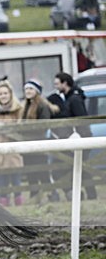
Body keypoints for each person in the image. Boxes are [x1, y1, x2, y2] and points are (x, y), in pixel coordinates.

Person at [51, 71, 97, 200]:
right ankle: (84, 194)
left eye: (57, 84)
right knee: (81, 168)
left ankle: (88, 194)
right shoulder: (71, 98)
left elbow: (81, 119)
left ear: (65, 83)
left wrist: (80, 137)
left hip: (79, 138)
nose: (55, 86)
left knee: (82, 168)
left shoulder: (74, 99)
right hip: (77, 137)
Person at [21, 79, 57, 203]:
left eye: (30, 89)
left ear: (36, 91)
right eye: (26, 89)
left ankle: (51, 195)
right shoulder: (25, 105)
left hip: (39, 143)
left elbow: (43, 125)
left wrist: (27, 129)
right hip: (27, 145)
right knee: (30, 172)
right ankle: (35, 196)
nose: (28, 91)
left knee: (42, 171)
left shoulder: (42, 106)